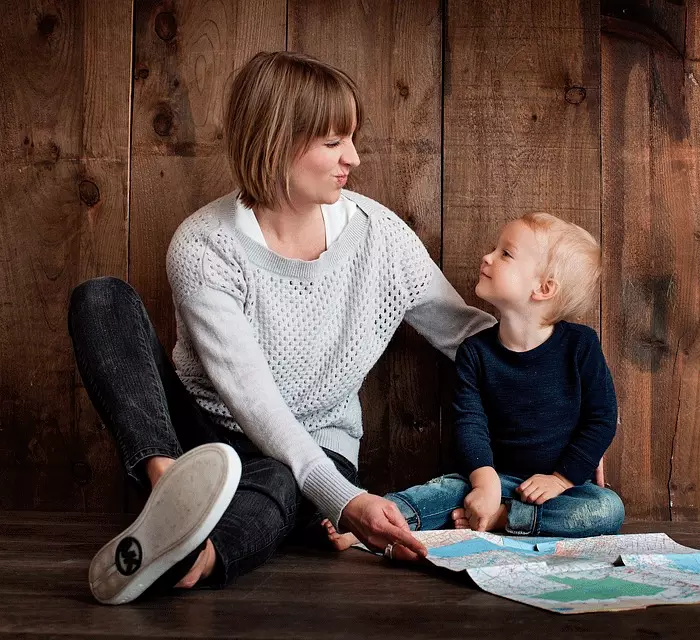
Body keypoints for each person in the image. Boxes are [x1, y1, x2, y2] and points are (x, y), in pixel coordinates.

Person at [67, 51, 495, 604]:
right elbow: (252, 399)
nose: (354, 159)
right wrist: (345, 503)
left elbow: (467, 335)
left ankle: (195, 555)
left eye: (351, 139)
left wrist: (564, 399)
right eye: (335, 142)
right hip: (198, 436)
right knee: (101, 299)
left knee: (280, 479)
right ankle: (171, 492)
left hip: (315, 447)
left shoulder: (379, 237)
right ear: (278, 140)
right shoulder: (203, 245)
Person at [324, 212, 624, 558]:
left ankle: (504, 519)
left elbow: (601, 418)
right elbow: (470, 423)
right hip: (491, 478)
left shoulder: (580, 346)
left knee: (606, 508)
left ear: (543, 288)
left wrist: (561, 479)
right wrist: (485, 482)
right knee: (442, 491)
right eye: (495, 249)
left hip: (559, 490)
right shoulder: (476, 352)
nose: (488, 257)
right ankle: (368, 524)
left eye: (505, 254)